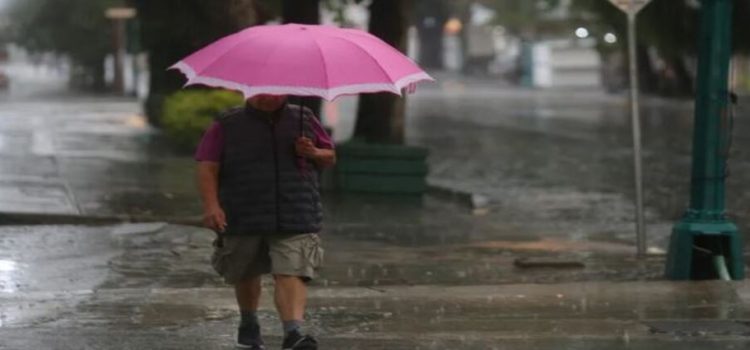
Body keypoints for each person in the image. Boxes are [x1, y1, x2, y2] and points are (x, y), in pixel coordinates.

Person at [195, 94, 335, 350]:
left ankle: (292, 333)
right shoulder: (227, 124)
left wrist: (313, 151)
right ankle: (249, 322)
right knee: (246, 271)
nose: (267, 97)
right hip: (243, 209)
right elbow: (208, 166)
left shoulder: (304, 118)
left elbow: (329, 156)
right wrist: (212, 206)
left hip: (296, 209)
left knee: (292, 270)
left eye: (274, 91)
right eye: (261, 91)